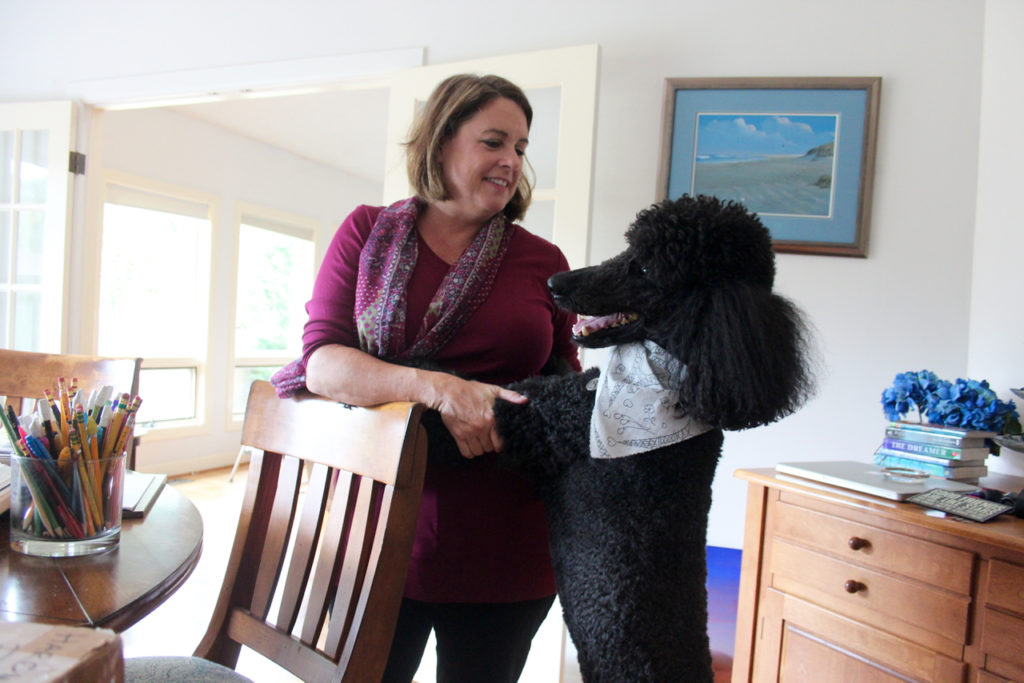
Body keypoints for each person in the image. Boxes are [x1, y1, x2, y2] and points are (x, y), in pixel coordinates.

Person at [301, 74, 581, 682]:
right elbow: (322, 364)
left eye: (521, 148)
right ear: (441, 141)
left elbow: (566, 386)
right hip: (376, 528)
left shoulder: (544, 261)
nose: (511, 162)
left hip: (506, 540)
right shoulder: (366, 231)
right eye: (493, 142)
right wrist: (440, 388)